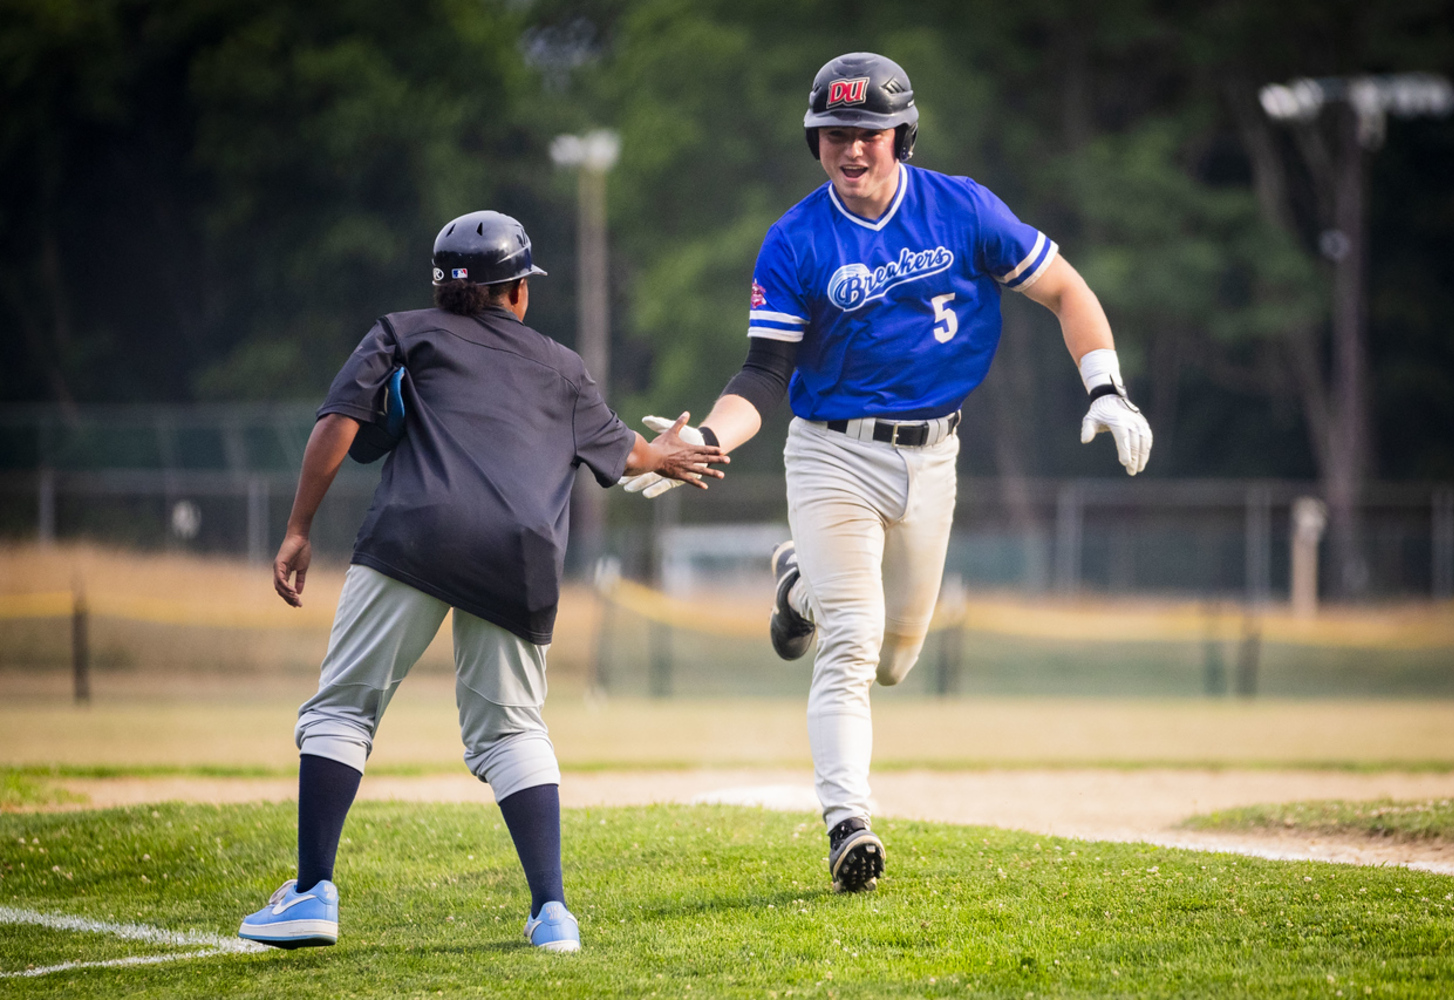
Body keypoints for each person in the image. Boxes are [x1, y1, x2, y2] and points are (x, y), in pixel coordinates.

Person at [622, 53, 1152, 891]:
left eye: (868, 132)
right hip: (833, 450)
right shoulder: (796, 238)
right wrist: (711, 441)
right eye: (835, 133)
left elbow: (1065, 289)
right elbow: (763, 373)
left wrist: (1107, 388)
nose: (852, 149)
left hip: (934, 454)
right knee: (853, 642)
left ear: (900, 134)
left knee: (896, 659)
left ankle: (798, 588)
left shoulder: (963, 207)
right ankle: (848, 827)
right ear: (816, 142)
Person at [237, 210, 727, 952]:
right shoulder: (562, 367)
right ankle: (553, 913)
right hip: (520, 551)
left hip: (417, 530)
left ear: (442, 291)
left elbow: (340, 421)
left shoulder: (406, 331)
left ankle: (311, 895)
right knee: (511, 730)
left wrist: (300, 527)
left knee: (341, 711)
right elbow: (622, 451)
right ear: (519, 292)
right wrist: (662, 455)